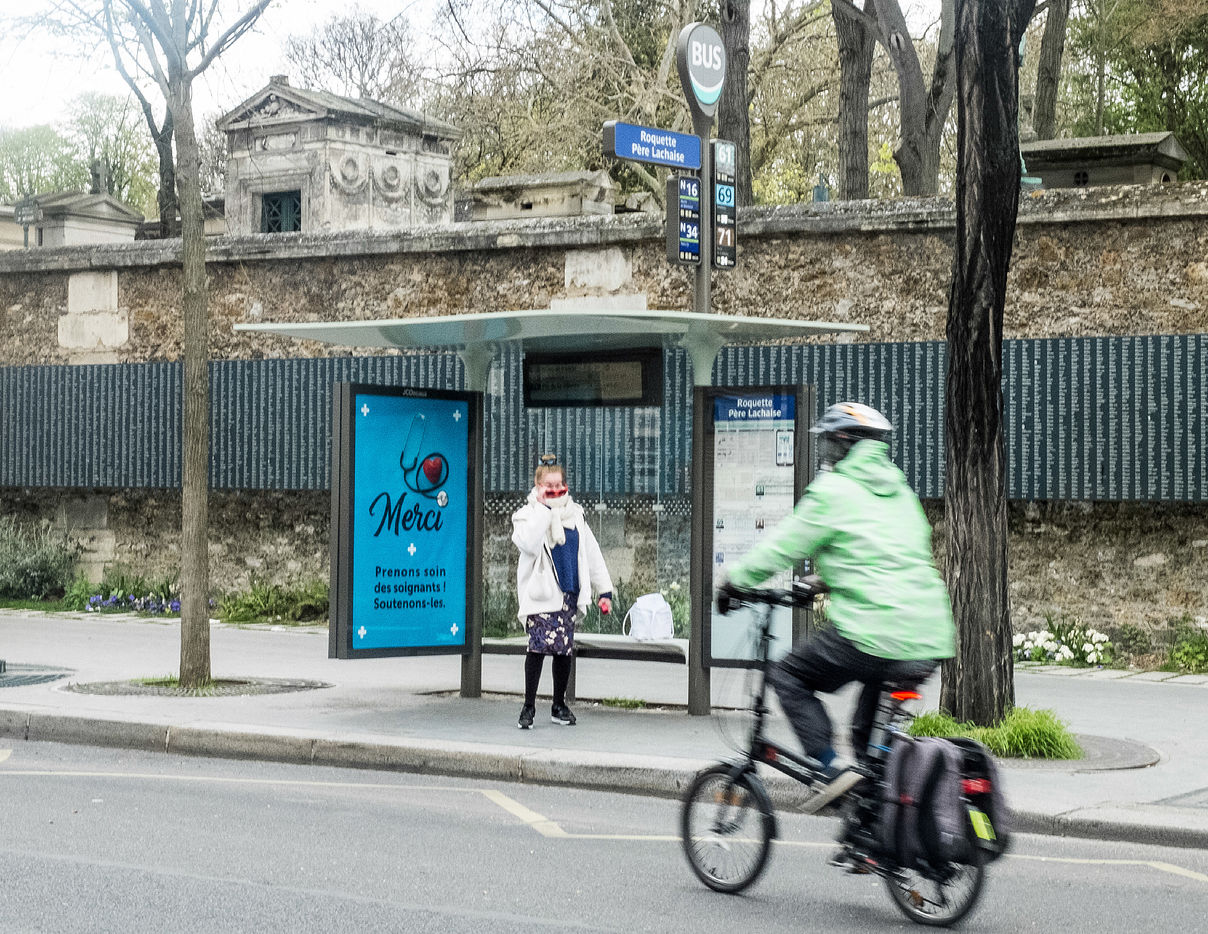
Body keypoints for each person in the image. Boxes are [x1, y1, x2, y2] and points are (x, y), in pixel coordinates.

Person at [718, 402, 955, 813]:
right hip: (929, 635)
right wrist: (825, 579)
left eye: (830, 444)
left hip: (873, 630)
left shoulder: (833, 491)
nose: (827, 453)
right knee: (867, 738)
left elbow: (782, 546)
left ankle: (828, 769)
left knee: (788, 674)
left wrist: (734, 580)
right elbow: (894, 554)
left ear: (845, 444)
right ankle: (877, 825)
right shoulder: (900, 491)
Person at [512, 454, 613, 729]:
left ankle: (559, 705)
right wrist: (545, 509)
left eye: (559, 485)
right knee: (537, 648)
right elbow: (528, 543)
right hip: (541, 595)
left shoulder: (576, 514)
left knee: (563, 650)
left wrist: (604, 590)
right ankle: (528, 707)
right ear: (538, 486)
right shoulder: (526, 515)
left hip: (568, 593)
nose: (555, 490)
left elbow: (591, 552)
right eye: (549, 485)